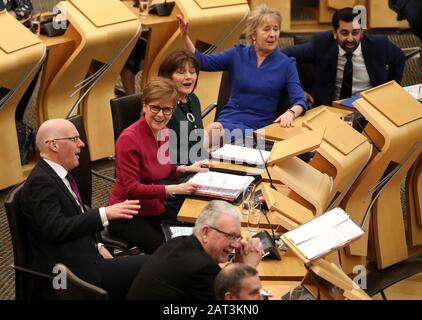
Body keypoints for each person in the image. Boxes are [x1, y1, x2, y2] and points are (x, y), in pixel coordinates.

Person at [20, 118, 149, 300]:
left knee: (156, 267)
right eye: (74, 139)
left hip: (86, 256)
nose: (81, 144)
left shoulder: (58, 176)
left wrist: (96, 245)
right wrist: (105, 213)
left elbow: (73, 218)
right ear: (54, 145)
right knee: (153, 267)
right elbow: (55, 229)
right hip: (71, 276)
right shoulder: (40, 183)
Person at [177, 5, 307, 149]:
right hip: (229, 118)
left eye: (275, 29)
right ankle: (184, 162)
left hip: (258, 127)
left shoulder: (286, 64)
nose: (272, 34)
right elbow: (203, 62)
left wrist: (290, 113)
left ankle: (184, 160)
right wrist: (185, 37)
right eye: (266, 29)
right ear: (253, 34)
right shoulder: (237, 54)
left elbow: (300, 100)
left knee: (209, 137)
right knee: (210, 137)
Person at [108, 78, 211, 254]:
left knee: (202, 230)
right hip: (128, 214)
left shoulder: (163, 132)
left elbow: (160, 168)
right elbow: (132, 188)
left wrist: (184, 169)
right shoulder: (129, 139)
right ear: (145, 105)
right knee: (170, 254)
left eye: (167, 109)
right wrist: (175, 189)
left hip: (155, 207)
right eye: (155, 107)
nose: (161, 115)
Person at [126, 200, 263, 300]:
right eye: (231, 236)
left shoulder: (178, 242)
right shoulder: (203, 269)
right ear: (205, 233)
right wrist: (247, 268)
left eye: (238, 238)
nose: (235, 245)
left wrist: (237, 267)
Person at [283, 7, 405, 107]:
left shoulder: (379, 45)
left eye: (355, 33)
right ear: (335, 34)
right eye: (345, 33)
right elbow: (285, 54)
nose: (350, 39)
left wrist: (390, 92)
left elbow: (399, 58)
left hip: (369, 108)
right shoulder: (322, 43)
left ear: (362, 32)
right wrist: (297, 90)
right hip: (330, 109)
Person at [158, 49, 206, 165]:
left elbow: (197, 142)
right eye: (181, 72)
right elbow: (161, 151)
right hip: (171, 171)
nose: (189, 77)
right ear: (168, 76)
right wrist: (194, 161)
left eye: (192, 71)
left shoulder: (193, 99)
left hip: (194, 165)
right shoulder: (161, 105)